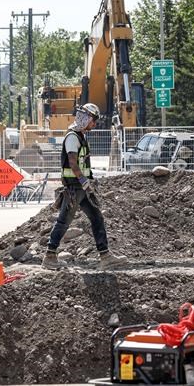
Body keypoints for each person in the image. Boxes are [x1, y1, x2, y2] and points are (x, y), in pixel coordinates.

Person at [43, 103, 128, 270]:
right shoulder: (72, 137)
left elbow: (82, 164)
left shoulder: (81, 135)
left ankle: (105, 256)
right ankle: (50, 256)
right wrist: (84, 181)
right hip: (75, 188)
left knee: (97, 218)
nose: (94, 124)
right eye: (93, 121)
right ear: (86, 119)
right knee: (64, 221)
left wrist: (89, 182)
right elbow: (73, 164)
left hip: (82, 188)